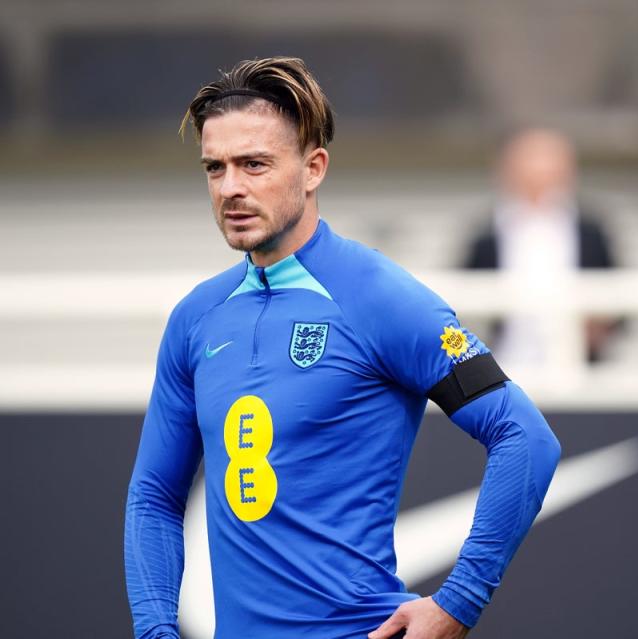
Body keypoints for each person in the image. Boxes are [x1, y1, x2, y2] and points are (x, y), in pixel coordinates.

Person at [123, 57, 561, 639]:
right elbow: (153, 496)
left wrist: (458, 602)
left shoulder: (380, 297)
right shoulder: (196, 319)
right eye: (215, 168)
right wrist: (155, 629)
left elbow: (525, 437)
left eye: (254, 164)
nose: (230, 187)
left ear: (313, 168)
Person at [463, 128, 617, 363]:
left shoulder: (591, 229)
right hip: (503, 363)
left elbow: (617, 293)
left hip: (578, 365)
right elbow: (463, 295)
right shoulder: (486, 233)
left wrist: (597, 328)